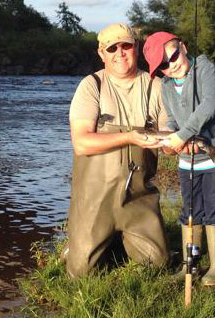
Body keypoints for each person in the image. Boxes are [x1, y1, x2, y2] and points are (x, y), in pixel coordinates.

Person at [64, 23, 169, 278]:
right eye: (112, 48)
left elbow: (169, 141)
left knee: (158, 264)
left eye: (126, 46)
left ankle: (117, 238)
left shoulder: (157, 86)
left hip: (138, 196)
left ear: (137, 48)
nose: (119, 53)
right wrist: (131, 137)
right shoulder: (91, 86)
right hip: (94, 198)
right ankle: (81, 243)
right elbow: (82, 143)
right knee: (80, 273)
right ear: (102, 53)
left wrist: (182, 145)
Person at [143, 32, 215, 286]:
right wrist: (169, 145)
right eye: (163, 64)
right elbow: (172, 122)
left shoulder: (206, 69)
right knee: (191, 211)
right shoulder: (165, 86)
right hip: (188, 160)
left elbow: (210, 105)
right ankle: (191, 263)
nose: (171, 65)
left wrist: (182, 136)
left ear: (183, 48)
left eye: (173, 56)